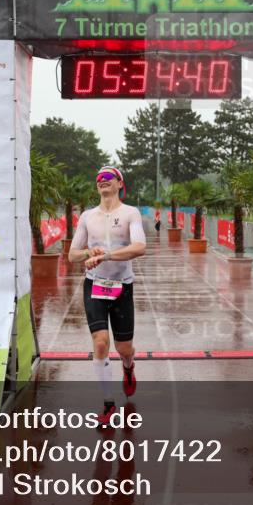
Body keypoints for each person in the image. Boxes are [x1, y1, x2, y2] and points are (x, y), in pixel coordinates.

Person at [68, 166, 147, 426]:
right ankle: (108, 404)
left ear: (119, 183)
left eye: (108, 177)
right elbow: (72, 255)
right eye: (98, 178)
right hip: (95, 286)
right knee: (101, 343)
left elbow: (140, 247)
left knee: (124, 348)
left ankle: (128, 366)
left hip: (122, 286)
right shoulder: (87, 217)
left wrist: (107, 255)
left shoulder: (130, 213)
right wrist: (89, 254)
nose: (102, 181)